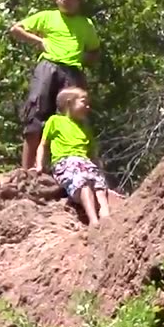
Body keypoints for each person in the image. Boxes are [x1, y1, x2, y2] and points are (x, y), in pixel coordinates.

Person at [9, 0, 102, 171]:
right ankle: (28, 171)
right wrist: (39, 41)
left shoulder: (86, 24)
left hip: (73, 72)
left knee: (72, 119)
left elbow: (94, 51)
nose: (65, 1)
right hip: (48, 67)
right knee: (36, 116)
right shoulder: (47, 16)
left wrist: (81, 58)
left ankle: (71, 168)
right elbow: (16, 29)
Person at [37, 87, 112, 226]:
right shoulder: (55, 121)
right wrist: (39, 166)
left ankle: (105, 214)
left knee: (99, 184)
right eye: (84, 102)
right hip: (65, 161)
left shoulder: (85, 127)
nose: (88, 107)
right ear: (69, 103)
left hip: (85, 162)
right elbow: (43, 145)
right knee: (81, 181)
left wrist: (99, 169)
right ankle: (93, 219)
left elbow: (92, 153)